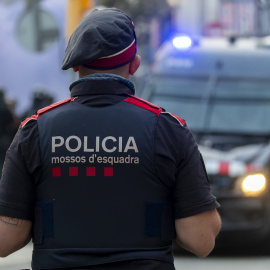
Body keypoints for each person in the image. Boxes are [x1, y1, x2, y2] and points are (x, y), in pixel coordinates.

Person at [0, 8, 221, 270]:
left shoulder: (35, 130)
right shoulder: (169, 129)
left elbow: (6, 239)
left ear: (74, 66)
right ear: (135, 65)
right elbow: (201, 239)